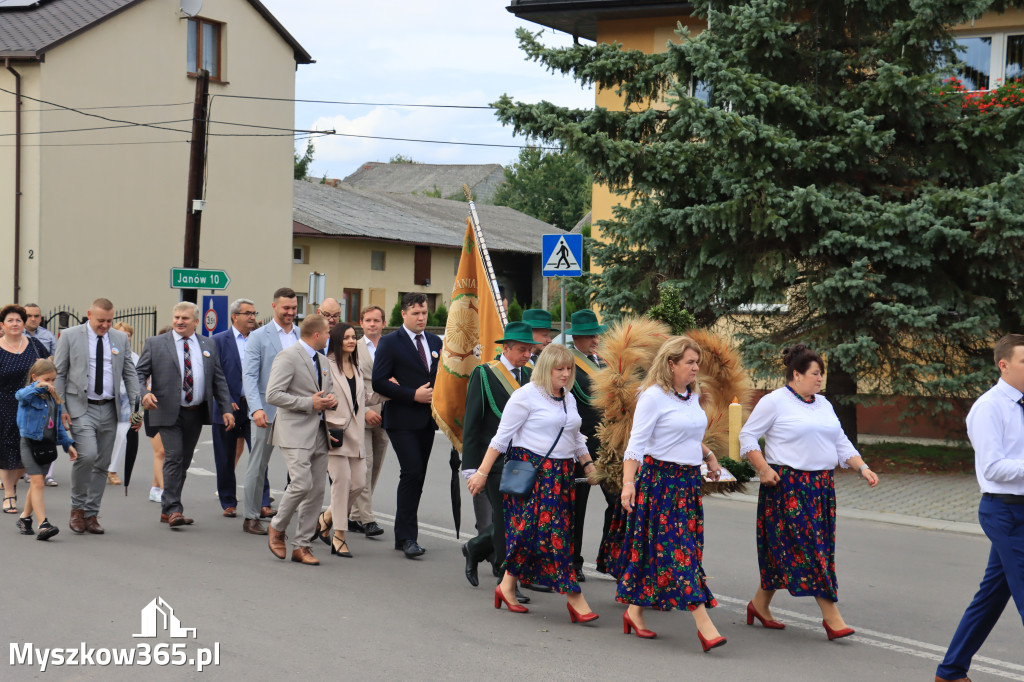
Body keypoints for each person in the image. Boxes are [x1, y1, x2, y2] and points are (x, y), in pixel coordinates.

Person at [738, 343, 879, 640]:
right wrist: (764, 469)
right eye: (815, 373)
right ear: (796, 374)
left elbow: (840, 441)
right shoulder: (774, 401)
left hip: (821, 489)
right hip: (787, 487)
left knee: (802, 550)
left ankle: (759, 605)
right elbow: (747, 436)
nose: (820, 379)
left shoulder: (823, 404)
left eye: (821, 374)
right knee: (812, 552)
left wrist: (862, 466)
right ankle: (832, 618)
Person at [468, 343, 600, 622]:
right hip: (534, 474)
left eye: (568, 368)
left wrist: (588, 465)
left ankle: (505, 586)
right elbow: (501, 439)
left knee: (530, 535)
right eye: (559, 369)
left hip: (562, 476)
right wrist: (480, 473)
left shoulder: (568, 397)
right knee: (556, 539)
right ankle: (575, 598)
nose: (565, 374)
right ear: (545, 369)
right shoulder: (525, 396)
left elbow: (575, 437)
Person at [616, 337, 727, 651]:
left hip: (688, 485)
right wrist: (628, 483)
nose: (696, 368)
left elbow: (687, 433)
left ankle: (634, 612)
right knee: (680, 554)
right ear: (670, 364)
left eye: (696, 362)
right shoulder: (653, 397)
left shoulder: (690, 395)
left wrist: (709, 456)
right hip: (661, 484)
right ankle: (704, 626)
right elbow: (636, 445)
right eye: (690, 362)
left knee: (673, 551)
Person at [935, 334, 1024, 682]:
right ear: (1004, 365)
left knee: (990, 597)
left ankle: (951, 670)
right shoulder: (989, 408)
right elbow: (992, 468)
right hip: (1004, 512)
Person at [135, 302, 234, 529]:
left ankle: (168, 507)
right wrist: (144, 394)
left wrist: (227, 408)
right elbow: (138, 374)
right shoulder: (156, 343)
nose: (179, 321)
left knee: (184, 461)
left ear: (196, 322)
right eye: (177, 317)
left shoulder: (208, 344)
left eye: (185, 318)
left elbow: (218, 379)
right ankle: (173, 509)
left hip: (195, 412)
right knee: (174, 456)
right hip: (166, 410)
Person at [54, 298, 139, 534]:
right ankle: (77, 509)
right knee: (87, 455)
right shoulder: (70, 336)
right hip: (80, 406)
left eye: (109, 321)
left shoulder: (120, 338)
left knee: (102, 463)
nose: (105, 325)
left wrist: (136, 407)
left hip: (109, 408)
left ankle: (91, 514)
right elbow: (59, 373)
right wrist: (61, 408)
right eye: (101, 320)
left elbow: (130, 374)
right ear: (89, 314)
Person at [461, 321, 534, 588]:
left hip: (526, 458)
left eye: (530, 350)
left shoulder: (532, 374)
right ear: (508, 348)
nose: (528, 355)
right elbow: (472, 421)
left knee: (523, 517)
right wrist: (471, 465)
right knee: (505, 518)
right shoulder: (485, 373)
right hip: (494, 459)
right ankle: (507, 578)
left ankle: (476, 547)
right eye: (523, 350)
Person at [371, 292, 442, 559]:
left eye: (424, 313)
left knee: (418, 476)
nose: (421, 317)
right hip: (401, 418)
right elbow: (379, 381)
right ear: (403, 314)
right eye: (416, 313)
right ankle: (407, 537)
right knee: (411, 471)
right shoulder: (390, 342)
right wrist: (412, 394)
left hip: (427, 420)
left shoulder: (435, 341)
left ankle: (404, 535)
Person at [265, 314, 336, 566]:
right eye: (327, 332)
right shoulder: (288, 356)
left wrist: (329, 400)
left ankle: (302, 545)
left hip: (319, 430)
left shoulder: (324, 360)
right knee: (301, 484)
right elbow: (273, 394)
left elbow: (327, 392)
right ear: (316, 334)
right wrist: (309, 403)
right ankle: (277, 526)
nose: (330, 336)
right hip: (294, 431)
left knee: (316, 490)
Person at [314, 322, 380, 557]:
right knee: (342, 484)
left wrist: (389, 391)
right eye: (347, 338)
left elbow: (363, 398)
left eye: (354, 337)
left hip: (356, 434)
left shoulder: (357, 365)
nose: (351, 341)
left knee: (359, 483)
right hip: (335, 433)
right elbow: (317, 395)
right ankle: (339, 535)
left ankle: (327, 517)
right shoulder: (326, 365)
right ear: (338, 340)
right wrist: (326, 405)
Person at [241, 287, 299, 534]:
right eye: (286, 308)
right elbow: (250, 375)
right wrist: (255, 409)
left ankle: (298, 517)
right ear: (274, 307)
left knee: (300, 466)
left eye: (294, 308)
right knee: (258, 465)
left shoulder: (300, 334)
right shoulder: (259, 336)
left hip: (297, 411)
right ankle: (251, 516)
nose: (290, 312)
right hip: (266, 411)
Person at [211, 299, 271, 519]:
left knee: (259, 455)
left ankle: (263, 501)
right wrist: (224, 399)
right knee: (225, 458)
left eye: (254, 313)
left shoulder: (261, 340)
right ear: (235, 316)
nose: (253, 317)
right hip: (227, 408)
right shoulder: (218, 341)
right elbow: (213, 375)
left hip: (254, 407)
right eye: (248, 313)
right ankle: (228, 501)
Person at [565, 309, 608, 582]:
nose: (596, 340)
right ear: (577, 338)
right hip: (581, 444)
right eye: (591, 336)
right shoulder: (570, 363)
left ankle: (611, 557)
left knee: (618, 501)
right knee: (576, 507)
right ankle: (574, 560)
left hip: (608, 444)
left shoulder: (602, 363)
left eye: (596, 335)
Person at [14, 358, 78, 540]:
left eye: (53, 380)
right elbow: (20, 396)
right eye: (47, 379)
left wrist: (68, 445)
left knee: (37, 483)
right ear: (35, 377)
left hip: (47, 445)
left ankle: (25, 518)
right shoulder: (29, 395)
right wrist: (38, 386)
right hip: (29, 443)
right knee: (38, 483)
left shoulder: (53, 399)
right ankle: (43, 524)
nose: (50, 384)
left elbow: (57, 427)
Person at [1, 304, 48, 513]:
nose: (15, 324)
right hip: (3, 404)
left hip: (31, 405)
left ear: (24, 323)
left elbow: (49, 369)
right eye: (10, 320)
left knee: (25, 451)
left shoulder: (35, 344)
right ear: (2, 325)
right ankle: (9, 493)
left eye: (18, 320)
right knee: (5, 448)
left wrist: (44, 365)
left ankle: (15, 481)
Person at [349, 304, 387, 538]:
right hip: (361, 412)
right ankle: (368, 519)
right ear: (361, 323)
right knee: (365, 465)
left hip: (387, 412)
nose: (372, 324)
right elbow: (350, 383)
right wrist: (363, 410)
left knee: (377, 466)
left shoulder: (390, 346)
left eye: (376, 320)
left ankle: (355, 514)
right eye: (368, 320)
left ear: (383, 323)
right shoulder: (354, 347)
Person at [107, 322, 140, 487]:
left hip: (126, 405)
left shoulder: (135, 358)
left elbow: (138, 385)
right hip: (106, 402)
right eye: (121, 335)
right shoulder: (107, 353)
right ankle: (99, 466)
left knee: (122, 437)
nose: (124, 339)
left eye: (127, 336)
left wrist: (137, 413)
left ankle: (112, 470)